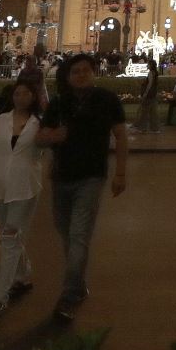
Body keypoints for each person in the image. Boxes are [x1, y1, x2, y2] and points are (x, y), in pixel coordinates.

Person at [37, 53, 127, 323]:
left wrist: (120, 173)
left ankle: (69, 296)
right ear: (68, 76)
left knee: (78, 235)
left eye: (86, 70)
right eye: (75, 71)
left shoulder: (107, 100)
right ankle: (77, 284)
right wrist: (53, 136)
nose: (81, 75)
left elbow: (121, 135)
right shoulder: (59, 103)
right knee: (67, 233)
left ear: (93, 72)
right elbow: (40, 136)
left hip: (91, 177)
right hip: (61, 176)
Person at [0, 77, 44, 317]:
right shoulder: (1, 121)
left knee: (10, 240)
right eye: (17, 93)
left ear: (33, 96)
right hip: (0, 187)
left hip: (25, 189)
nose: (21, 97)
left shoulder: (39, 123)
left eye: (26, 93)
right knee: (9, 237)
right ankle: (23, 276)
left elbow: (46, 149)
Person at [132, 62, 162, 133]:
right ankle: (155, 128)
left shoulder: (150, 73)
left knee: (144, 112)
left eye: (148, 64)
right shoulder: (155, 73)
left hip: (149, 95)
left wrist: (145, 94)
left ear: (151, 65)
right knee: (153, 112)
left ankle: (142, 128)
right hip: (153, 94)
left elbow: (149, 84)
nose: (147, 65)